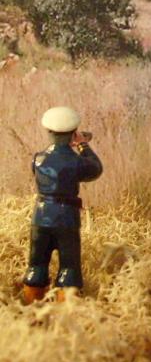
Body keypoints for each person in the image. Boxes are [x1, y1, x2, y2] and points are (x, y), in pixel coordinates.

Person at [23, 106, 103, 304]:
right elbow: (96, 168)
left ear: (48, 132)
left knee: (36, 265)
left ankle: (31, 309)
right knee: (69, 268)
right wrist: (83, 145)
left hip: (41, 217)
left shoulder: (38, 159)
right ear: (73, 133)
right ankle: (65, 316)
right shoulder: (77, 162)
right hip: (67, 219)